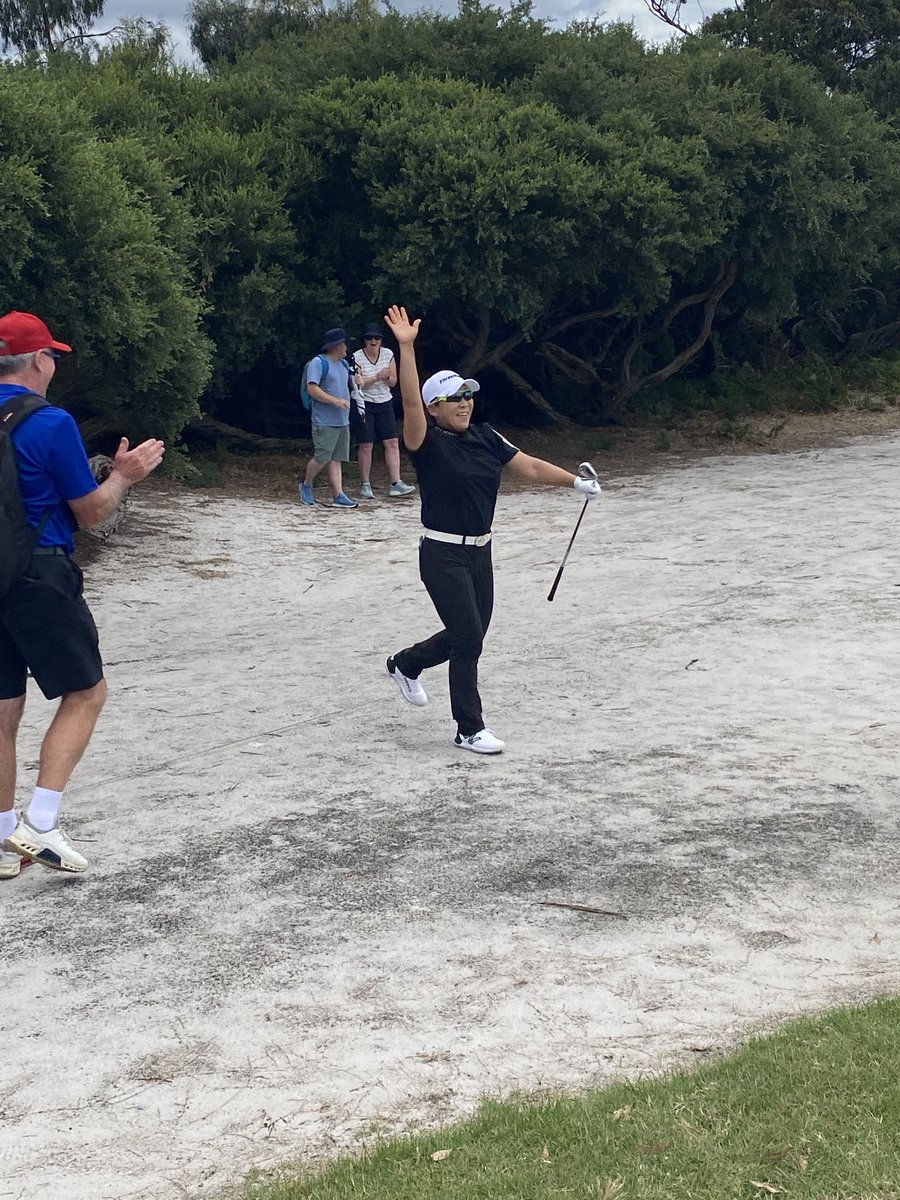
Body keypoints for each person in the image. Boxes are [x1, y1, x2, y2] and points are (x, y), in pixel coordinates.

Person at [382, 305, 601, 755]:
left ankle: (405, 664)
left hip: (479, 552)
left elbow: (533, 468)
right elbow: (407, 402)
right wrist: (406, 348)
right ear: (434, 409)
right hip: (441, 553)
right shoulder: (426, 442)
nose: (464, 404)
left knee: (472, 632)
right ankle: (469, 728)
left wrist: (576, 482)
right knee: (467, 639)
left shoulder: (486, 437)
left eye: (468, 396)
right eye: (453, 399)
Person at [0, 310, 165, 877]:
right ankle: (40, 826)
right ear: (40, 360)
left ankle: (2, 840)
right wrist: (123, 475)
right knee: (86, 693)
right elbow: (92, 515)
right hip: (41, 574)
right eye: (54, 357)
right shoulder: (50, 423)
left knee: (2, 707)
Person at [352, 322, 415, 500]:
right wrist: (377, 376)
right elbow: (359, 383)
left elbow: (393, 381)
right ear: (364, 340)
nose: (373, 341)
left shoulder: (388, 354)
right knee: (366, 445)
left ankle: (396, 482)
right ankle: (365, 484)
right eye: (369, 338)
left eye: (377, 338)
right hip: (365, 403)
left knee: (392, 442)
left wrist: (386, 378)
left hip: (384, 401)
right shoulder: (357, 357)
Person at [299, 327, 359, 509]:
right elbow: (312, 388)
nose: (347, 348)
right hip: (324, 420)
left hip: (342, 420)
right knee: (322, 457)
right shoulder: (318, 363)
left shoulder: (342, 365)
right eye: (344, 344)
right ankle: (306, 485)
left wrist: (359, 381)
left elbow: (350, 382)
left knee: (336, 458)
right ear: (336, 346)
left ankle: (338, 494)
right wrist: (335, 401)